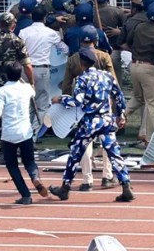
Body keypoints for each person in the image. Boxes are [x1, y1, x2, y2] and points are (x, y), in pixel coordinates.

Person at [48, 47, 135, 203]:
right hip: (106, 120)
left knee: (75, 153)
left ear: (81, 64)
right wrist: (120, 115)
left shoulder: (83, 79)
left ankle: (65, 188)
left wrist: (60, 99)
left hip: (89, 122)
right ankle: (126, 185)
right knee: (114, 153)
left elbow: (77, 101)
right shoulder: (107, 76)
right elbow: (119, 96)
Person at [0, 61, 48, 204]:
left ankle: (26, 195)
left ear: (5, 75)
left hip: (9, 134)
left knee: (12, 165)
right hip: (25, 132)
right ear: (20, 74)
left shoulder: (1, 91)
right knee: (29, 161)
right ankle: (35, 177)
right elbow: (31, 88)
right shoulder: (27, 89)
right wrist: (21, 78)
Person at [62, 25, 117, 190]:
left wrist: (67, 104)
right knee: (108, 141)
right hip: (103, 104)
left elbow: (66, 85)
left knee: (85, 141)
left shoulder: (73, 59)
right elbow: (113, 82)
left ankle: (87, 180)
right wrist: (114, 103)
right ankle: (107, 176)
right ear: (96, 40)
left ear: (80, 41)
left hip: (83, 105)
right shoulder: (104, 56)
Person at [0, 12, 33, 146]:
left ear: (0, 24)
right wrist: (31, 83)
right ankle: (19, 141)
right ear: (13, 25)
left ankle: (2, 144)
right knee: (17, 110)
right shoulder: (17, 41)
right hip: (14, 82)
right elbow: (27, 65)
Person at [125, 1, 154, 142]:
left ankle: (119, 116)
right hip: (150, 68)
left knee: (137, 98)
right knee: (153, 104)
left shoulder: (139, 27)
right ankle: (149, 139)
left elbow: (128, 41)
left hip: (134, 65)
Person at [19, 6, 69, 124]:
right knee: (42, 104)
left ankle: (25, 130)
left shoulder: (23, 32)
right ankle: (35, 131)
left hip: (25, 69)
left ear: (31, 17)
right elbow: (65, 49)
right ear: (45, 18)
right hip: (42, 70)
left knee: (26, 103)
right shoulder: (51, 33)